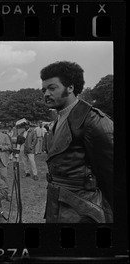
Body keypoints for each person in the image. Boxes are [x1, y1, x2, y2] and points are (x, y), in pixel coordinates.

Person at [40, 61, 113, 223]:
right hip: (59, 207)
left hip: (83, 212)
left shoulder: (93, 120)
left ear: (70, 88)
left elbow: (112, 175)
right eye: (44, 90)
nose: (46, 94)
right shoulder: (58, 119)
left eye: (52, 88)